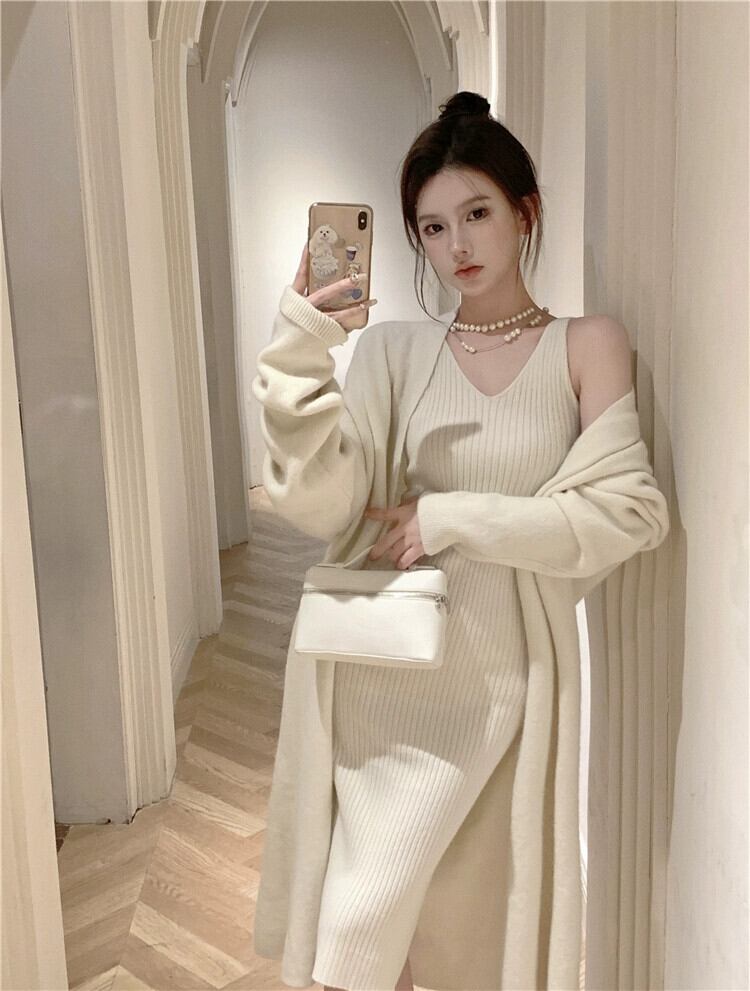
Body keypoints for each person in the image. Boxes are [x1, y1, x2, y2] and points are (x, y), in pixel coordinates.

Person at [251, 91, 669, 991]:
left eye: (477, 214)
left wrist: (448, 518)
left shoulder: (586, 346)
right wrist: (302, 344)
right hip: (382, 687)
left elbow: (629, 511)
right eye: (433, 228)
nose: (457, 247)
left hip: (498, 694)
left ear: (526, 211)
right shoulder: (394, 353)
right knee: (359, 937)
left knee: (461, 946)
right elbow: (327, 504)